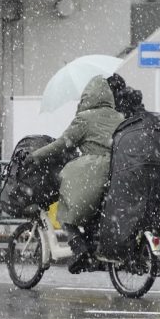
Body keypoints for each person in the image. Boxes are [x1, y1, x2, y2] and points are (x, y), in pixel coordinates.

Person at [28, 75, 124, 273]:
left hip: (95, 170)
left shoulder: (85, 118)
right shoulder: (119, 117)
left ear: (88, 96)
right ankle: (91, 249)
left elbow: (62, 144)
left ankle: (79, 249)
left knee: (67, 210)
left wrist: (35, 155)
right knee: (92, 211)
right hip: (118, 172)